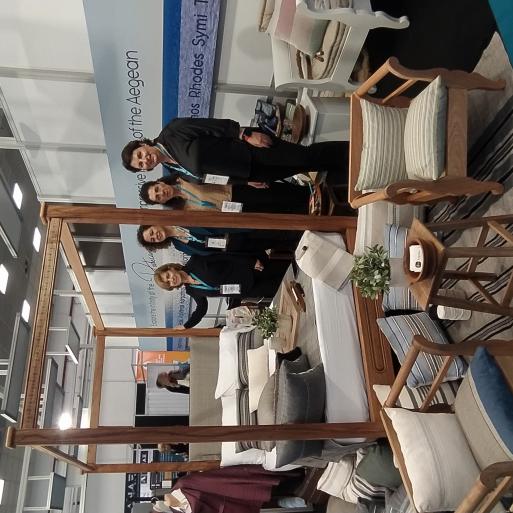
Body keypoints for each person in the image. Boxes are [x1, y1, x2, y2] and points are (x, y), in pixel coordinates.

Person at [121, 117, 348, 183]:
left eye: (140, 155)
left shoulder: (172, 132)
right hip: (248, 172)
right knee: (303, 167)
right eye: (141, 165)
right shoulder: (174, 170)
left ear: (142, 144)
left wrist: (245, 134)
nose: (145, 159)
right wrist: (245, 181)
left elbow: (211, 126)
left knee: (306, 156)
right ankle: (351, 172)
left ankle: (353, 154)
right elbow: (211, 178)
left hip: (249, 148)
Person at [153, 255, 288, 328]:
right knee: (283, 289)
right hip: (248, 290)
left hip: (251, 271)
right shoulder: (191, 290)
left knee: (289, 271)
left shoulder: (196, 261)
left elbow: (226, 256)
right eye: (168, 283)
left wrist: (250, 261)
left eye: (168, 276)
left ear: (171, 268)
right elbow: (201, 309)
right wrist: (186, 326)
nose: (171, 280)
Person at [151, 465, 305, 513]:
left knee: (263, 494)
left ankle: (292, 497)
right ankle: (291, 501)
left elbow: (213, 482)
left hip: (227, 493)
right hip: (226, 505)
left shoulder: (184, 485)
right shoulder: (177, 504)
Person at [139, 175, 310, 214]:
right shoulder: (182, 208)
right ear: (161, 202)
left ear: (159, 182)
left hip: (236, 191)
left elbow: (217, 175)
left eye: (157, 189)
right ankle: (314, 212)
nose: (161, 193)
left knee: (280, 195)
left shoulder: (184, 177)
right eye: (158, 197)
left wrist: (245, 181)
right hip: (236, 211)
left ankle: (314, 194)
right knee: (278, 210)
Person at [137, 224, 301, 257]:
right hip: (234, 248)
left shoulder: (180, 217)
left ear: (154, 224)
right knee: (275, 244)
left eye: (152, 232)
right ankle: (302, 243)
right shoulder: (179, 246)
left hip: (234, 230)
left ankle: (303, 231)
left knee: (277, 232)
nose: (156, 236)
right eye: (153, 239)